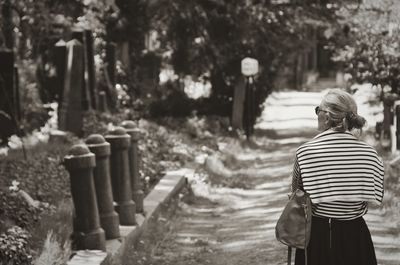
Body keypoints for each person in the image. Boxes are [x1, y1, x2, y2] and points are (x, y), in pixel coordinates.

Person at [291, 89, 384, 265]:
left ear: (326, 117)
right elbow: (377, 196)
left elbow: (297, 193)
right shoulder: (370, 154)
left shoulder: (305, 152)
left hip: (316, 237)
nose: (317, 114)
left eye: (318, 110)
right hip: (356, 235)